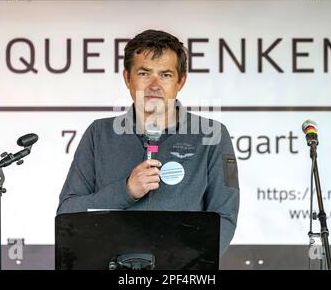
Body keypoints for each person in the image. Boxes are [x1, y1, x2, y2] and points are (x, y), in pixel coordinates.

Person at [57, 29, 240, 255]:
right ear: (127, 78)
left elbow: (224, 218)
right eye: (144, 73)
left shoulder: (212, 135)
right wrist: (126, 191)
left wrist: (179, 268)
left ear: (180, 81)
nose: (154, 85)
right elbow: (67, 213)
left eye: (165, 75)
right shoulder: (99, 134)